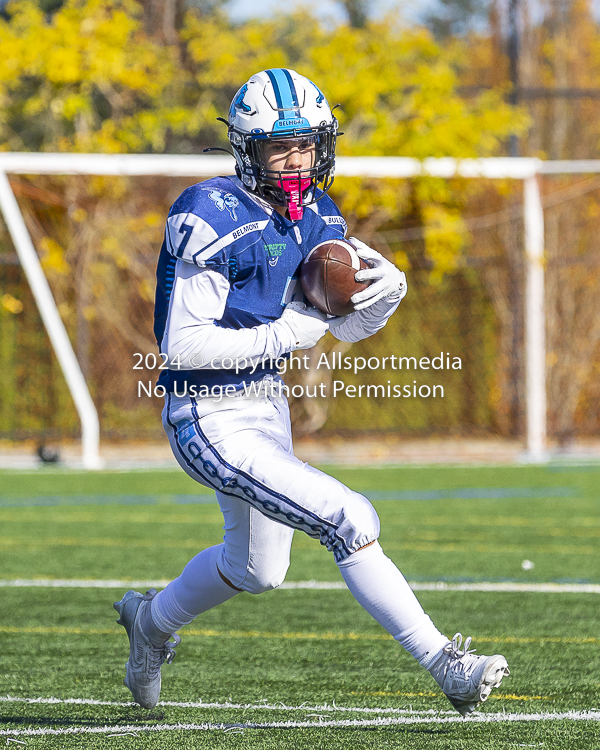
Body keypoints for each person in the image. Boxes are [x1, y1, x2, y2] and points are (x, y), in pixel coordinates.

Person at [114, 68, 509, 716]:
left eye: (305, 145)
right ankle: (448, 664)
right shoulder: (212, 214)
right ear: (249, 150)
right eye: (279, 147)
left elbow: (339, 328)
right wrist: (289, 332)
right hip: (206, 414)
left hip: (264, 403)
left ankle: (149, 623)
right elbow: (182, 347)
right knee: (348, 517)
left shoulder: (318, 214)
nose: (295, 159)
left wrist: (384, 297)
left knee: (258, 570)